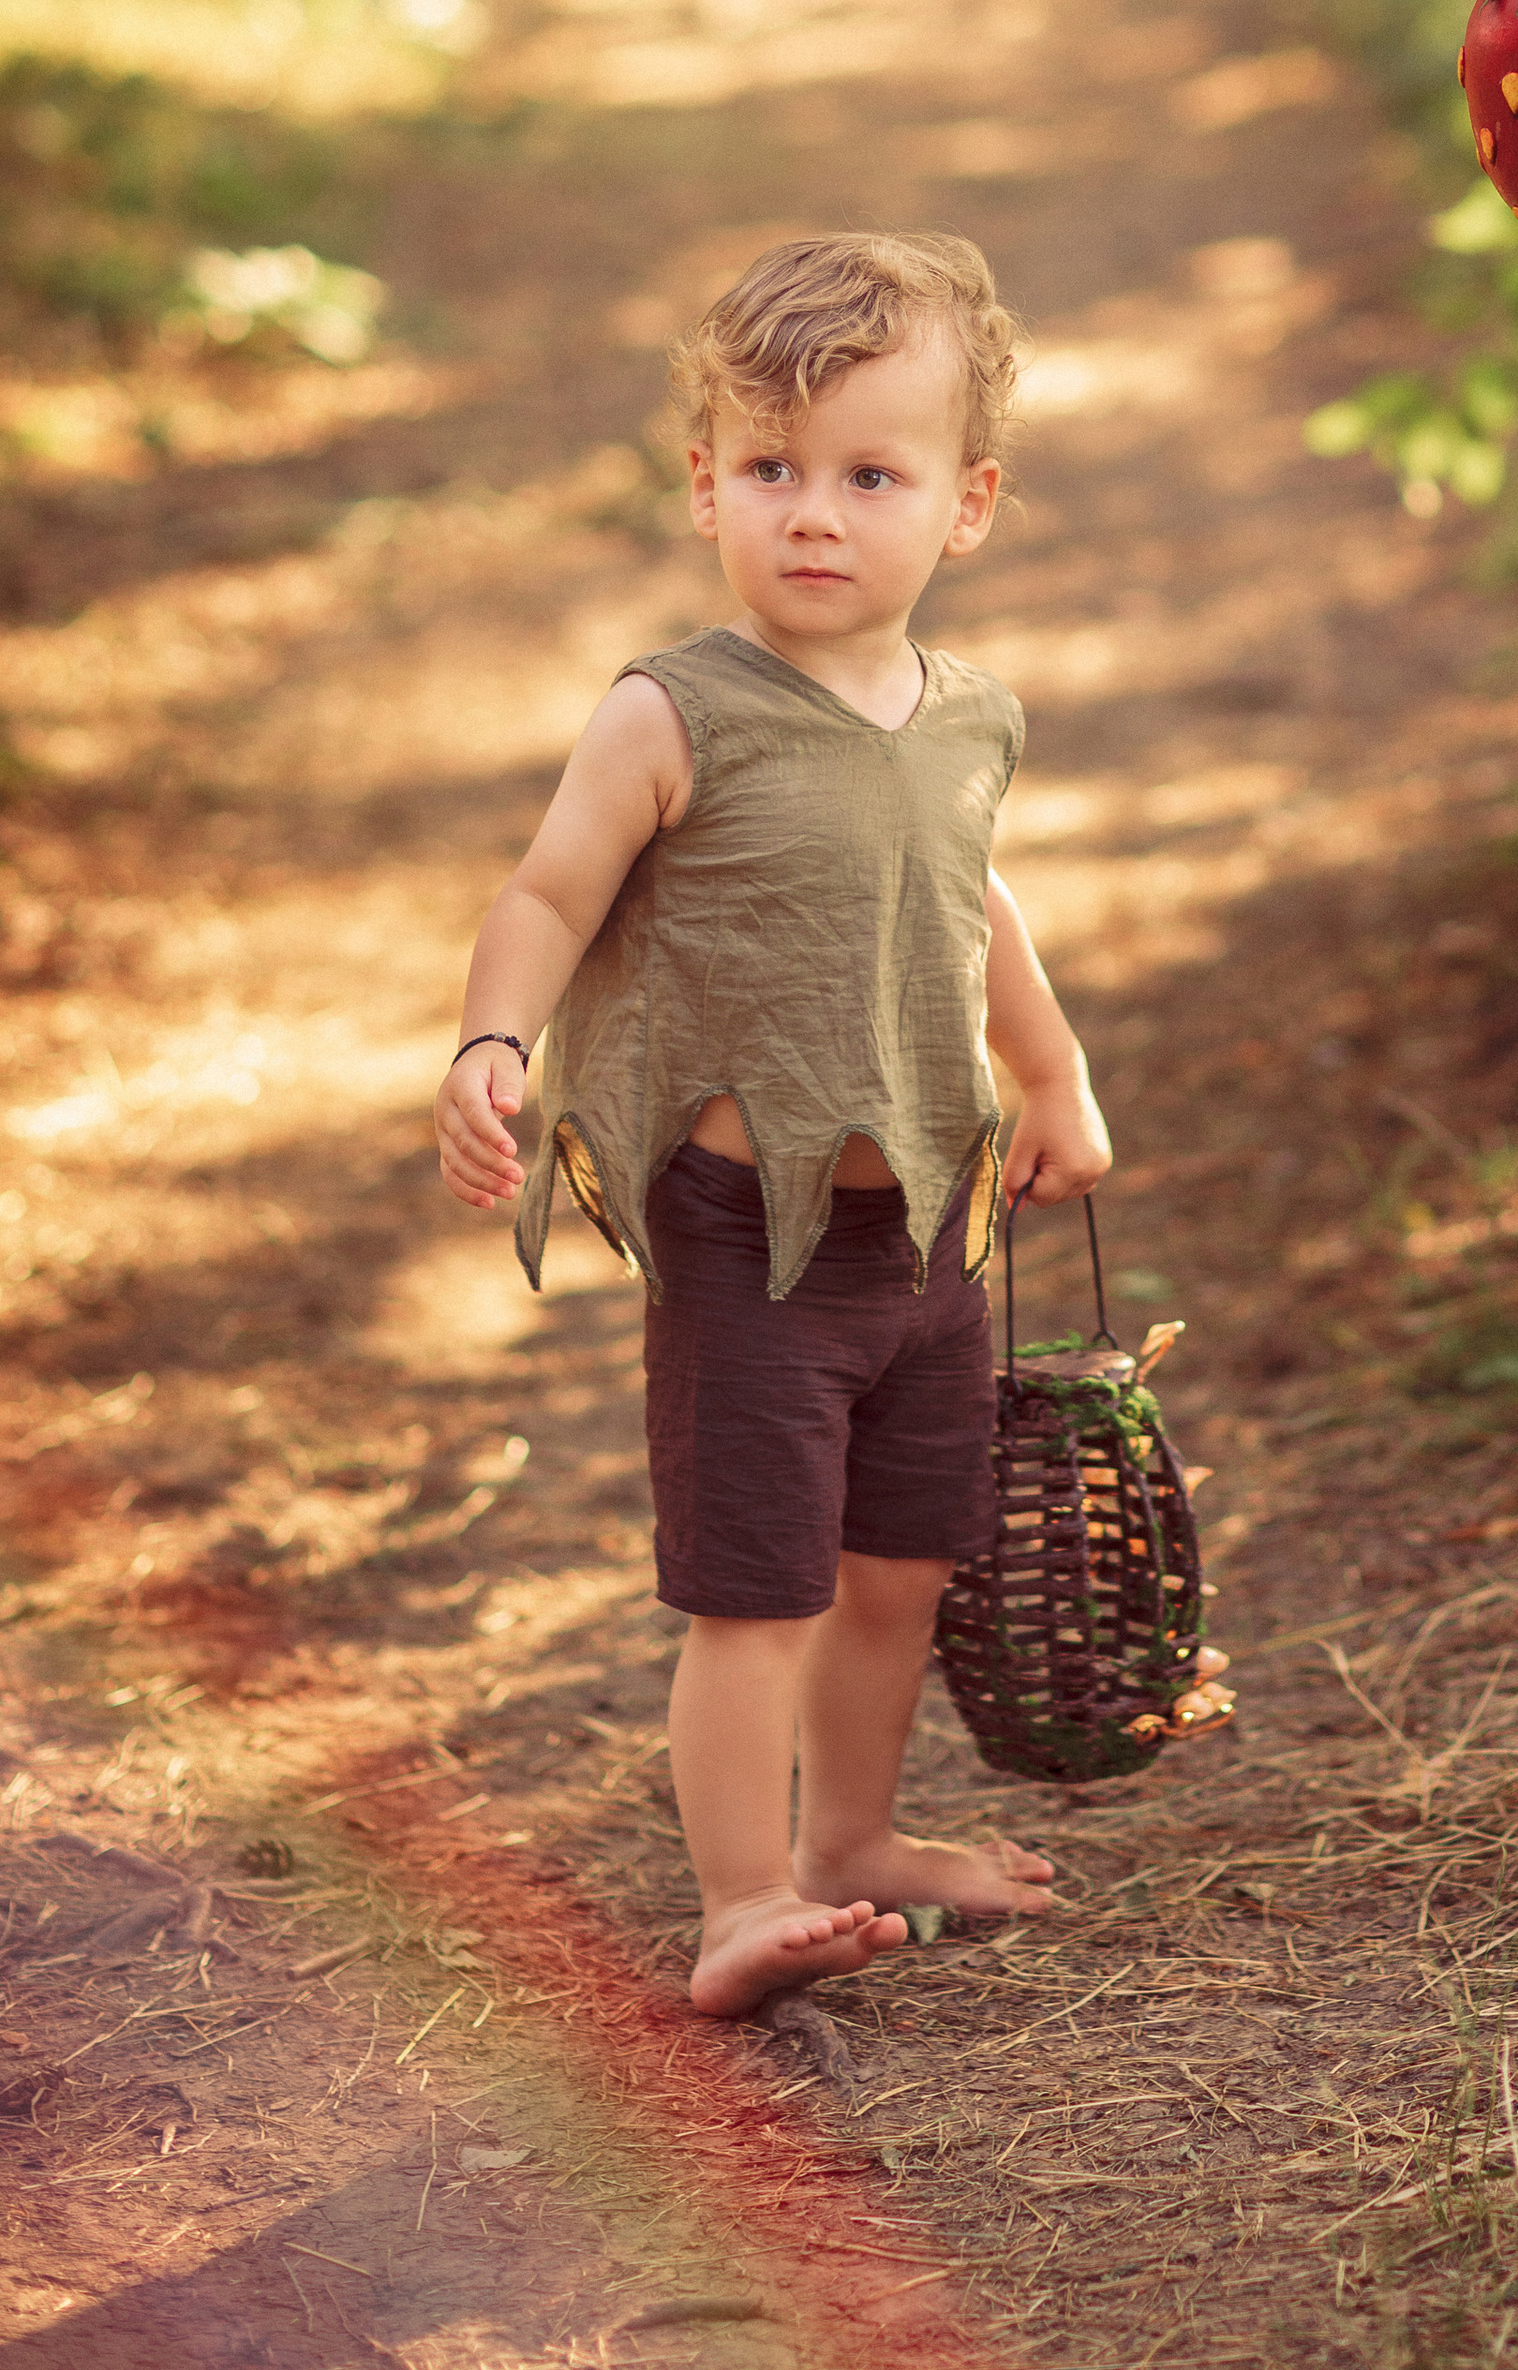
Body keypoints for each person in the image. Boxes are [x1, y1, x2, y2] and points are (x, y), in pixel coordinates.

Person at [431, 230, 1111, 2018]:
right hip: (756, 1249)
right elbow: (549, 893)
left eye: (868, 475)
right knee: (762, 1589)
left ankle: (854, 1841)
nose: (815, 514)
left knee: (899, 1570)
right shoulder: (675, 711)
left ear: (965, 506)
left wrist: (1055, 1076)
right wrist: (490, 1037)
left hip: (933, 1241)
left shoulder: (967, 717)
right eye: (771, 468)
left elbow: (979, 910)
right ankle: (741, 1896)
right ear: (704, 484)